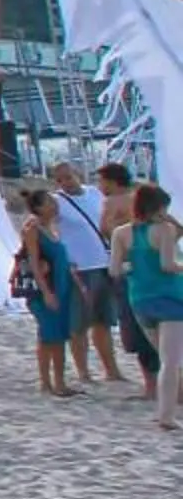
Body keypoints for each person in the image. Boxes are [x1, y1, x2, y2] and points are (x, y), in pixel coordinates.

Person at [48, 163, 130, 392]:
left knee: (104, 320)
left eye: (69, 177)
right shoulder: (57, 201)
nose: (66, 182)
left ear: (78, 174)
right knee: (80, 322)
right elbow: (47, 225)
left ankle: (111, 369)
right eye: (61, 179)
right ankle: (83, 371)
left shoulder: (94, 193)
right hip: (80, 267)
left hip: (104, 262)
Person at [109, 181, 183, 431]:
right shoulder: (163, 230)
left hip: (140, 299)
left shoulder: (121, 232)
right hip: (170, 299)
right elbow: (168, 265)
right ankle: (166, 416)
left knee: (167, 361)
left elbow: (115, 270)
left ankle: (165, 411)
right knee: (171, 363)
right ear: (159, 206)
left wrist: (136, 268)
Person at [92, 163, 160, 394]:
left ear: (112, 181)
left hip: (129, 267)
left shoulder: (112, 202)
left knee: (136, 326)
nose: (100, 187)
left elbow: (105, 229)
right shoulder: (143, 197)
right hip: (154, 266)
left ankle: (151, 386)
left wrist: (122, 233)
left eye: (102, 182)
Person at [16, 188, 79, 399]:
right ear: (38, 207)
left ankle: (57, 381)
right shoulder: (33, 228)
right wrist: (46, 292)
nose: (54, 205)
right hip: (44, 288)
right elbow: (33, 262)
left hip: (61, 285)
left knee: (58, 334)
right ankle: (49, 382)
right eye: (49, 202)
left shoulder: (51, 227)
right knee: (50, 335)